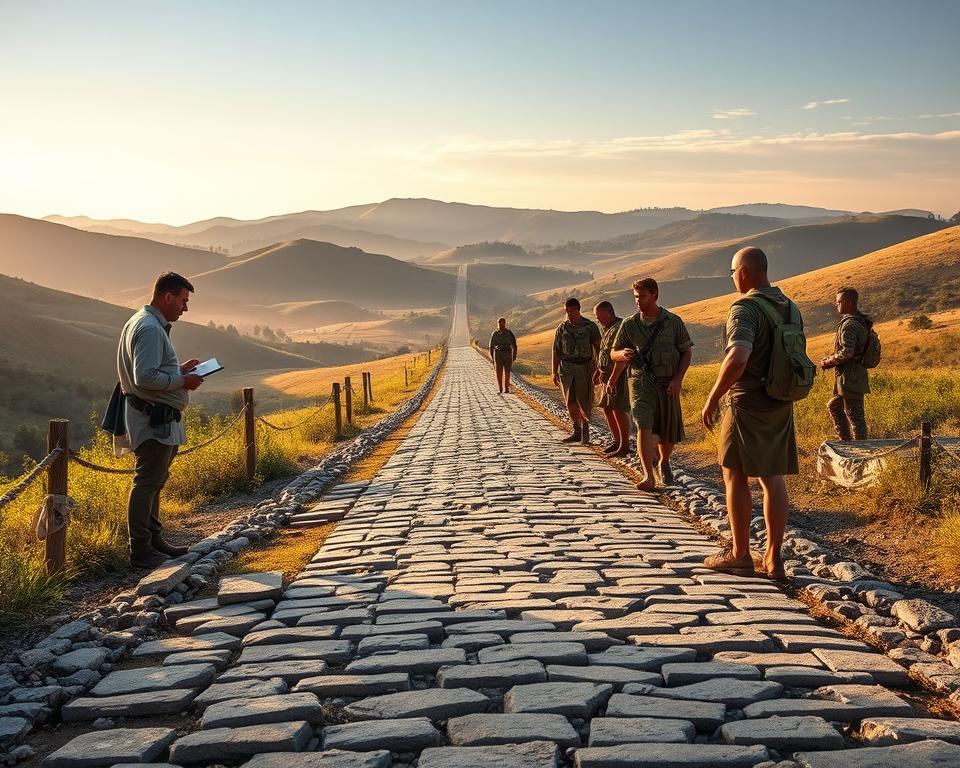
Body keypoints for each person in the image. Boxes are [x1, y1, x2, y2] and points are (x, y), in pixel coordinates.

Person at [701, 246, 800, 580]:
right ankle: (774, 558)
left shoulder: (745, 308)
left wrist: (714, 397)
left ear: (743, 272)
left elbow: (739, 356)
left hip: (747, 400)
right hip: (780, 400)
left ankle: (740, 553)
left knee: (734, 473)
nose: (732, 279)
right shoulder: (790, 306)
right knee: (772, 477)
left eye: (732, 272)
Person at [117, 272, 204, 568]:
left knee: (154, 481)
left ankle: (154, 541)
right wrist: (183, 380)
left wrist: (178, 369)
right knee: (147, 482)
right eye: (183, 300)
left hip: (153, 416)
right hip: (151, 419)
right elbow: (145, 377)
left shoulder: (141, 321)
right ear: (167, 297)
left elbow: (149, 370)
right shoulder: (151, 328)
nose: (185, 307)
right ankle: (141, 550)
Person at [609, 278, 693, 488]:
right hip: (640, 383)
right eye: (636, 297)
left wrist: (678, 379)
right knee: (643, 425)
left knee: (667, 433)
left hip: (667, 385)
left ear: (655, 295)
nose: (638, 301)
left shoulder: (673, 322)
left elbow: (686, 352)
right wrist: (622, 354)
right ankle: (648, 475)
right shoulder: (629, 324)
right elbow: (613, 353)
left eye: (643, 296)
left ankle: (664, 461)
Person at [820, 287, 870, 440]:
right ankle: (846, 443)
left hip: (851, 379)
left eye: (839, 302)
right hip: (851, 377)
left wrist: (828, 362)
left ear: (848, 302)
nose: (837, 305)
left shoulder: (849, 325)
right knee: (834, 406)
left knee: (856, 418)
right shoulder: (860, 321)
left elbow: (847, 352)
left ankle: (861, 453)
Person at [552, 297, 601, 445]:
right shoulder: (562, 328)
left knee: (585, 401)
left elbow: (598, 349)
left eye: (572, 311)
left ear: (578, 310)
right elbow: (556, 351)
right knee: (570, 402)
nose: (569, 314)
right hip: (566, 369)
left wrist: (599, 369)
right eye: (567, 312)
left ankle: (585, 433)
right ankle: (576, 430)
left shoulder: (590, 326)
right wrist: (554, 372)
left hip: (585, 368)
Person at [593, 301, 631, 456]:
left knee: (618, 409)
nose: (598, 320)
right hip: (605, 375)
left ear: (608, 313)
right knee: (607, 408)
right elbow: (603, 353)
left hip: (617, 376)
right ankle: (616, 441)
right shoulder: (607, 328)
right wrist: (598, 371)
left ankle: (625, 445)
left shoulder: (619, 328)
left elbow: (620, 356)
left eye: (599, 316)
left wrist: (613, 378)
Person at [489, 317, 518, 394]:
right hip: (498, 354)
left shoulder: (509, 333)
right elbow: (491, 346)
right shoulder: (494, 334)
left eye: (502, 323)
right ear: (497, 324)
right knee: (498, 372)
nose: (501, 324)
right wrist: (492, 357)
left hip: (507, 353)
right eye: (499, 323)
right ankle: (500, 388)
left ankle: (506, 387)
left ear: (505, 323)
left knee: (507, 372)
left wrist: (514, 355)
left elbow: (514, 345)